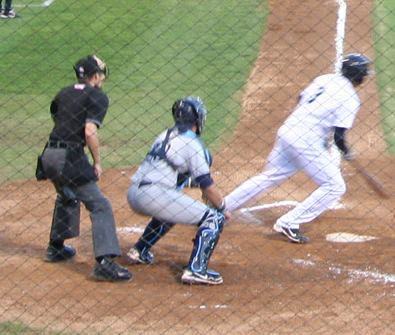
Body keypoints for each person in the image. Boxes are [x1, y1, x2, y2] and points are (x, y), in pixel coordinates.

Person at [223, 53, 374, 244]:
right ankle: (289, 222)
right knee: (335, 186)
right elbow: (338, 137)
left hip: (288, 130)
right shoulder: (350, 99)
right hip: (306, 140)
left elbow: (300, 98)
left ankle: (221, 207)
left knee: (270, 175)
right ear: (359, 77)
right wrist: (348, 153)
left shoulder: (325, 79)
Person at [38, 55, 132, 281]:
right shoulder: (97, 96)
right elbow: (89, 131)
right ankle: (105, 263)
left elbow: (58, 119)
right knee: (99, 205)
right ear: (96, 76)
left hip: (48, 154)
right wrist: (96, 162)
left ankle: (56, 247)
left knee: (67, 193)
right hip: (68, 157)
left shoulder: (64, 92)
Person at [125, 97, 228, 285]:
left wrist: (195, 185)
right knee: (214, 218)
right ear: (197, 119)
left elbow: (175, 177)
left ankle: (140, 250)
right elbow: (207, 184)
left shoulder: (164, 135)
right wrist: (221, 207)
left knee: (172, 207)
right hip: (155, 196)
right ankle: (196, 270)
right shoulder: (192, 143)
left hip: (134, 194)